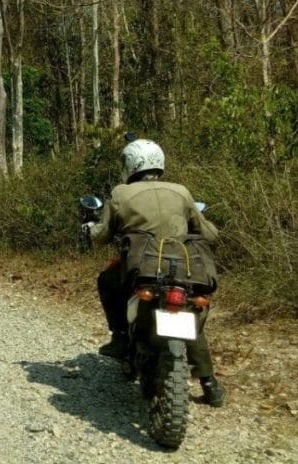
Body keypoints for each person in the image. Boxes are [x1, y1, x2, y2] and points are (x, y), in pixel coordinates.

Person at [83, 138, 226, 408]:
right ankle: (209, 384)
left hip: (143, 266)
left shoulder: (121, 193)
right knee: (190, 314)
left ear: (130, 164)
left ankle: (120, 337)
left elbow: (102, 236)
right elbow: (209, 233)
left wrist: (88, 228)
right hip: (184, 266)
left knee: (107, 281)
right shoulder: (181, 192)